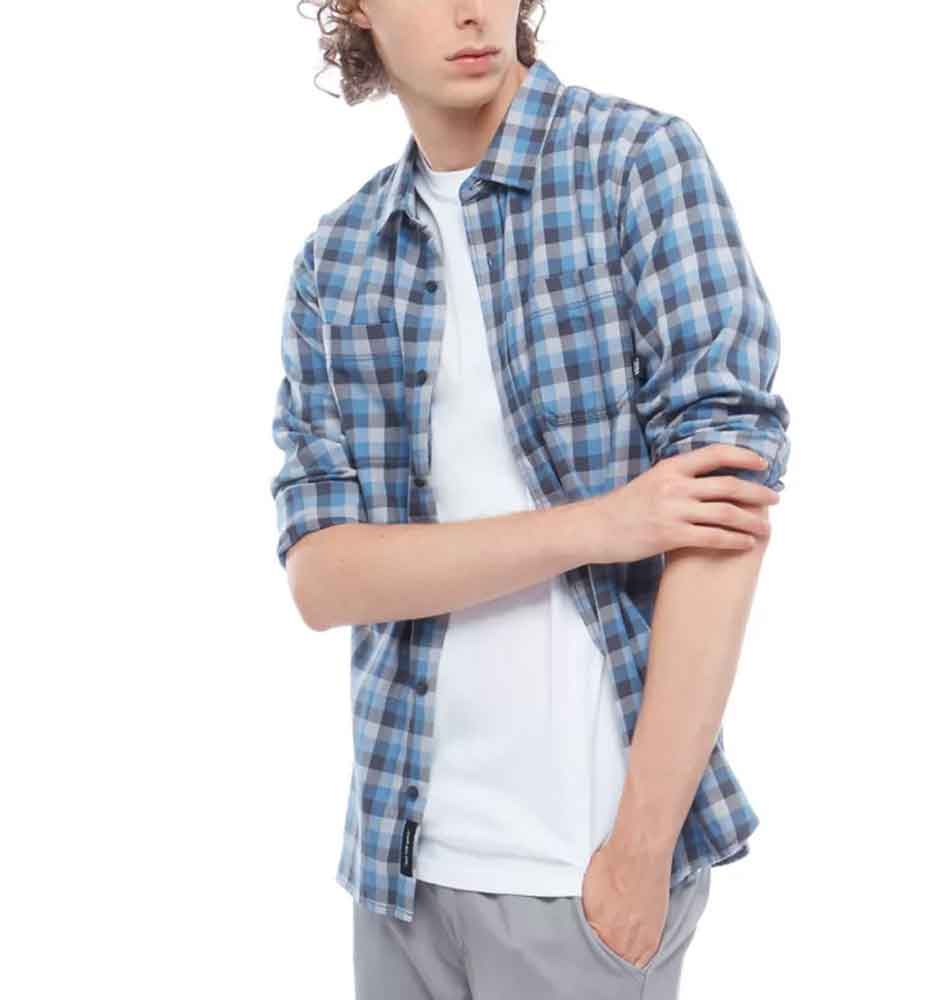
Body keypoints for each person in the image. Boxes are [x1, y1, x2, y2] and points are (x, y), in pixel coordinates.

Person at [270, 2, 791, 996]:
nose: (472, 10)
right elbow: (322, 579)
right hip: (398, 870)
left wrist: (638, 854)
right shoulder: (337, 258)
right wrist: (602, 523)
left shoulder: (636, 166)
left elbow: (725, 516)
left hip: (582, 872)